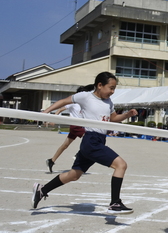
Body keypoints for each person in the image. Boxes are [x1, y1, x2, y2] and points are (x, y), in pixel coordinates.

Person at [32, 72, 138, 214]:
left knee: (74, 175)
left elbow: (113, 118)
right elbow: (64, 101)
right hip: (91, 140)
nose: (112, 92)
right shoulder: (86, 96)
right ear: (99, 85)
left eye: (114, 89)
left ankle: (42, 190)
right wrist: (45, 112)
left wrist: (127, 115)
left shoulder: (108, 102)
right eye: (111, 88)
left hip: (99, 139)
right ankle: (115, 203)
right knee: (121, 165)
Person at [46, 85, 89, 173]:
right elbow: (60, 110)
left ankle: (51, 161)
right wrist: (53, 118)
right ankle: (79, 154)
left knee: (65, 145)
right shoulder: (73, 103)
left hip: (80, 126)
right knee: (89, 138)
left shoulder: (84, 104)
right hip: (75, 125)